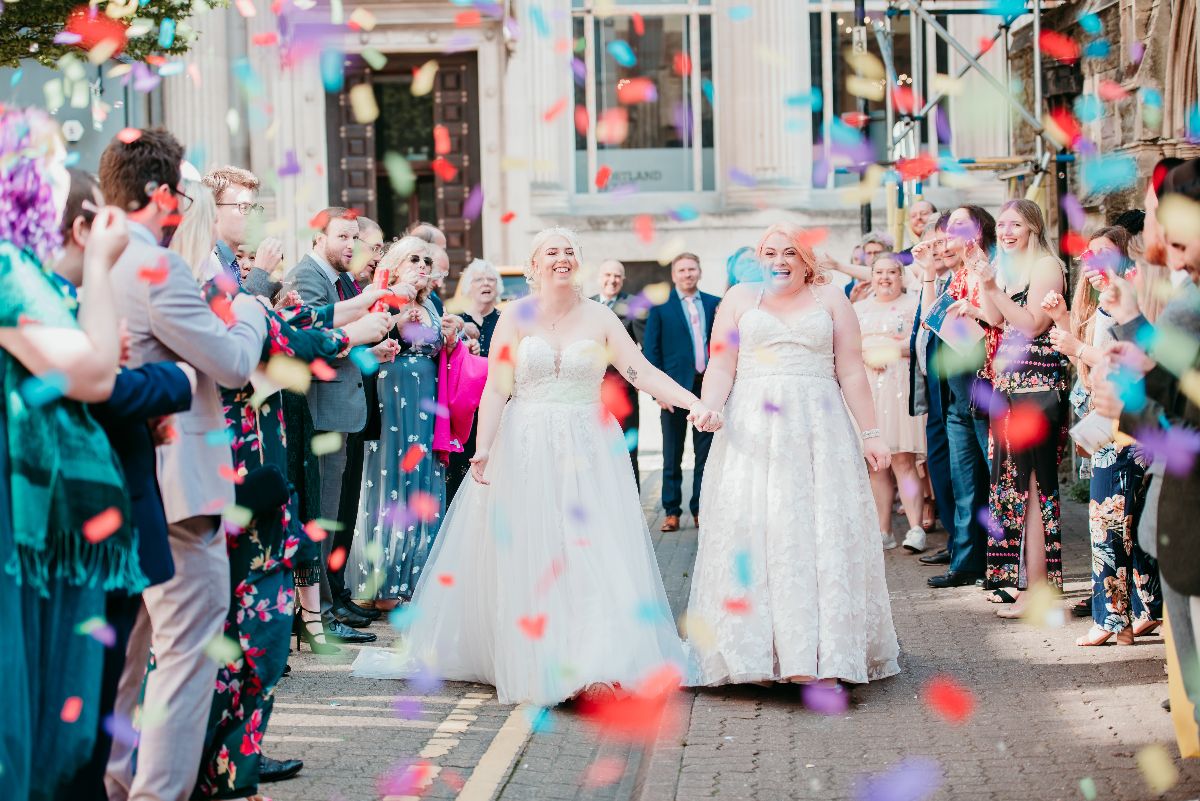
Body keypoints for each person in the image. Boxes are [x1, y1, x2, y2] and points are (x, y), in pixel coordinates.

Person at [351, 227, 721, 706]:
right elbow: (497, 387)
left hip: (588, 446)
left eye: (569, 251)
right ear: (534, 264)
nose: (562, 258)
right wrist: (483, 447)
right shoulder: (515, 317)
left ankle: (596, 658)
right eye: (552, 251)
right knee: (535, 548)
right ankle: (541, 652)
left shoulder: (601, 317)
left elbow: (642, 372)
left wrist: (693, 403)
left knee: (589, 547)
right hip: (526, 443)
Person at [93, 127, 269, 801]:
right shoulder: (157, 266)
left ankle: (115, 783)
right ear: (161, 193)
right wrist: (249, 311)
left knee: (130, 655)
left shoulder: (100, 262)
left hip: (131, 482)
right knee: (187, 653)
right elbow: (231, 363)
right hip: (179, 488)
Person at [686, 222, 900, 687]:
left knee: (819, 531)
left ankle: (821, 656)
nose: (779, 261)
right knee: (756, 530)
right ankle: (754, 655)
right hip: (753, 427)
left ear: (806, 260)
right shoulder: (739, 299)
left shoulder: (832, 300)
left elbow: (852, 371)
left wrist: (871, 434)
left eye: (789, 253)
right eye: (770, 253)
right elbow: (721, 364)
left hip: (818, 429)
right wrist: (710, 407)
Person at [0, 107, 143, 801]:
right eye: (53, 164)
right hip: (20, 512)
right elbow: (92, 372)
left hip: (38, 509)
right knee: (24, 705)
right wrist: (103, 268)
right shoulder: (8, 267)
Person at [46, 168, 197, 801]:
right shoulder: (42, 298)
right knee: (83, 709)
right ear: (84, 228)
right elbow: (100, 386)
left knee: (102, 697)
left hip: (108, 525)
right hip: (85, 535)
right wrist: (177, 381)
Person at [1042, 226, 1162, 644]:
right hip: (1115, 423)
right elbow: (1090, 368)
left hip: (1125, 425)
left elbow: (1131, 364)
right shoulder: (1106, 304)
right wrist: (1065, 324)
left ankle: (1112, 619)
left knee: (1107, 522)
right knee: (1133, 521)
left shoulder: (1131, 302)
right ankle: (1147, 609)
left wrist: (1077, 347)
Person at [283, 207, 393, 639]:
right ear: (318, 237)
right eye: (343, 237)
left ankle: (328, 606)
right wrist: (361, 334)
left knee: (330, 515)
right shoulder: (307, 278)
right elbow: (309, 344)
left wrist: (372, 350)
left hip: (338, 409)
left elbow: (346, 344)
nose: (352, 246)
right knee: (321, 516)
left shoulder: (340, 279)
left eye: (355, 238)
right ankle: (319, 616)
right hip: (318, 411)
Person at [965, 199, 1067, 617]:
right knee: (1011, 486)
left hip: (1037, 386)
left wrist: (993, 288)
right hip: (1009, 387)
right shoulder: (1009, 267)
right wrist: (983, 276)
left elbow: (1032, 324)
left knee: (1034, 487)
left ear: (1033, 229)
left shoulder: (1046, 266)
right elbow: (995, 319)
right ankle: (1026, 585)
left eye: (1015, 225)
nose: (1006, 232)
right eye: (1002, 225)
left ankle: (1038, 591)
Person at [347, 238, 453, 607]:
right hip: (391, 398)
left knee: (422, 481)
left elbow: (437, 351)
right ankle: (383, 582)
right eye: (414, 259)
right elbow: (357, 347)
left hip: (427, 404)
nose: (423, 265)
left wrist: (452, 337)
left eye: (427, 261)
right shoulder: (378, 296)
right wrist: (395, 321)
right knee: (390, 480)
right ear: (395, 264)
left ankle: (417, 578)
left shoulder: (431, 303)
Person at [925, 205, 996, 590]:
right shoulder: (952, 279)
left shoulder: (988, 271)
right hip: (955, 398)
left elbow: (996, 324)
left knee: (996, 479)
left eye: (956, 231)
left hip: (983, 390)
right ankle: (967, 562)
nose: (946, 241)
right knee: (965, 484)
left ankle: (1002, 565)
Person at [854, 252, 927, 552]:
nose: (885, 278)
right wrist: (866, 353)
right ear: (871, 277)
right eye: (879, 272)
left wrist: (889, 350)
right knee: (876, 465)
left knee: (903, 460)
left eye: (891, 272)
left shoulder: (914, 304)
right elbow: (846, 347)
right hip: (868, 391)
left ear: (901, 276)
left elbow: (922, 343)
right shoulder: (857, 309)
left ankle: (916, 528)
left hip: (900, 389)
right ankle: (883, 530)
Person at [643, 252, 720, 532]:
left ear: (699, 272)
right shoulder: (660, 307)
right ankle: (671, 511)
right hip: (673, 391)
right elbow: (651, 352)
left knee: (705, 454)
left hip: (707, 389)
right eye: (682, 270)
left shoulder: (715, 304)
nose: (687, 274)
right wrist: (658, 393)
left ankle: (700, 508)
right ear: (674, 275)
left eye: (692, 269)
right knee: (672, 453)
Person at [910, 217, 962, 571]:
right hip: (932, 387)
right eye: (929, 245)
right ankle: (957, 541)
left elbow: (941, 326)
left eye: (940, 243)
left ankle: (966, 546)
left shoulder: (955, 282)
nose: (935, 251)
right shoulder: (934, 281)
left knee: (957, 470)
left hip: (954, 386)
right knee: (940, 467)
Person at [447, 258, 503, 502]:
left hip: (497, 405)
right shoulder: (456, 320)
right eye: (479, 279)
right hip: (462, 408)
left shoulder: (505, 320)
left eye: (491, 279)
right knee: (460, 468)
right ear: (469, 286)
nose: (486, 284)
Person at [591, 259, 644, 488]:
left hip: (622, 391)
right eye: (607, 275)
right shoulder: (586, 305)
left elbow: (644, 347)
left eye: (617, 276)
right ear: (599, 277)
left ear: (623, 280)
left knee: (626, 449)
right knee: (594, 449)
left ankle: (633, 501)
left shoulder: (633, 306)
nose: (612, 280)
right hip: (589, 391)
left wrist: (638, 379)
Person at [203, 165, 285, 295]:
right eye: (244, 207)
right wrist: (261, 273)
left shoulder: (229, 262)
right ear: (213, 210)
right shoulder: (204, 262)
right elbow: (238, 308)